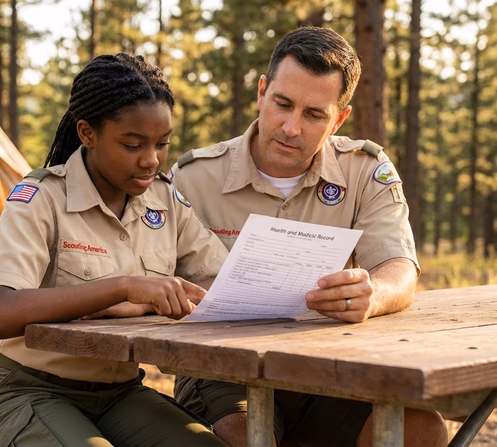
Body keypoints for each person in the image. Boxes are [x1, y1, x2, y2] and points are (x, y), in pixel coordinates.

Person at [168, 27, 448, 447]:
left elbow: (399, 265)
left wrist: (373, 295)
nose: (291, 127)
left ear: (339, 118)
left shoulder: (365, 169)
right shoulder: (193, 177)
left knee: (421, 429)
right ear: (262, 92)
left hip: (328, 362)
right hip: (221, 370)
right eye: (282, 104)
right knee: (247, 436)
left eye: (315, 114)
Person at [0, 53, 230, 447]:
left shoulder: (165, 201)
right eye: (132, 144)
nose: (151, 159)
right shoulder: (41, 198)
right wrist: (122, 288)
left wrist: (153, 301)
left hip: (119, 392)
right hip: (29, 390)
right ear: (87, 134)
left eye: (162, 144)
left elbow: (218, 280)